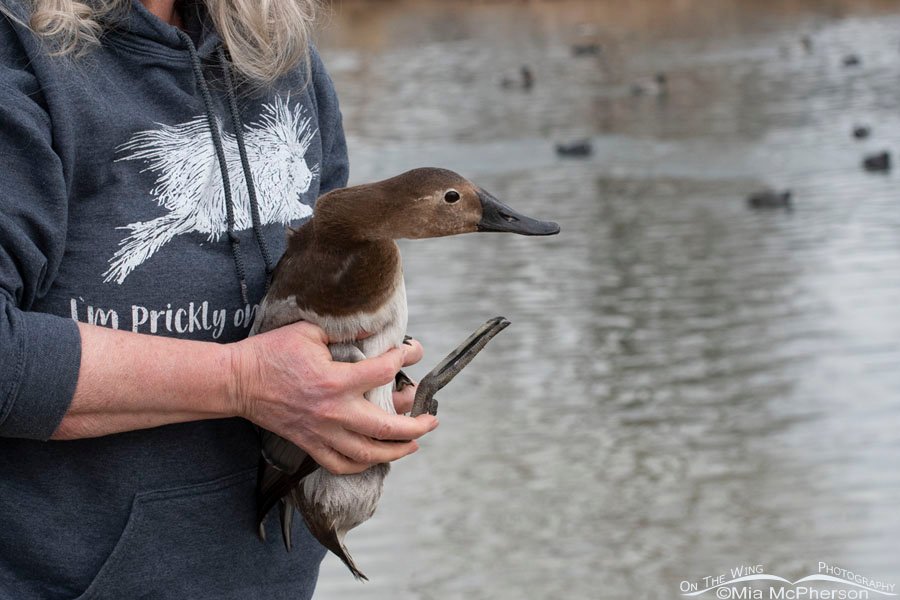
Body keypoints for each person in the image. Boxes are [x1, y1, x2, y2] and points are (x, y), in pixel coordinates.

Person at [0, 0, 438, 598]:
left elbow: (324, 280)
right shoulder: (16, 53)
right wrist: (241, 381)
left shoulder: (279, 52)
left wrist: (359, 384)